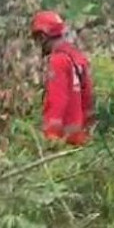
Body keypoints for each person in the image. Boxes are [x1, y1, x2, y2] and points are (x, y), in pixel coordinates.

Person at [31, 11, 95, 146]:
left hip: (64, 142)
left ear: (43, 37)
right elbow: (88, 96)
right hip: (80, 138)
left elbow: (57, 100)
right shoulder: (77, 57)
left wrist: (51, 138)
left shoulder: (58, 61)